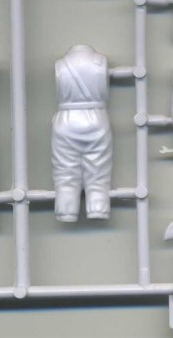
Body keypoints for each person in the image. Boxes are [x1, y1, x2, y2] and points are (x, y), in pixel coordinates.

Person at [52, 44, 112, 222]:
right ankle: (98, 208)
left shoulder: (61, 65)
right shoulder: (100, 62)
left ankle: (66, 210)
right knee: (98, 171)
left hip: (66, 120)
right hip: (97, 120)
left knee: (65, 172)